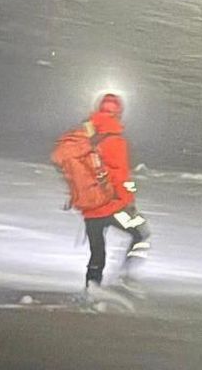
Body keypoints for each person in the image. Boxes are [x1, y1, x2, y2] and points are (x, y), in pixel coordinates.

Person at [81, 93, 150, 290]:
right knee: (140, 234)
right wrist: (129, 201)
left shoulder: (87, 136)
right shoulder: (116, 141)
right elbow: (121, 176)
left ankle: (91, 290)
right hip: (113, 206)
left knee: (97, 252)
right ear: (119, 113)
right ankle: (124, 279)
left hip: (90, 206)